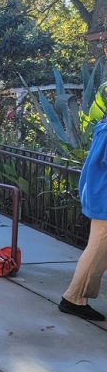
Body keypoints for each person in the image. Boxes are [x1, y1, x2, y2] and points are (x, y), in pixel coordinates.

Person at [58, 117, 107, 321]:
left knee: (99, 249)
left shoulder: (103, 128)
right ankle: (73, 298)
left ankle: (74, 297)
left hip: (99, 196)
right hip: (104, 199)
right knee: (97, 250)